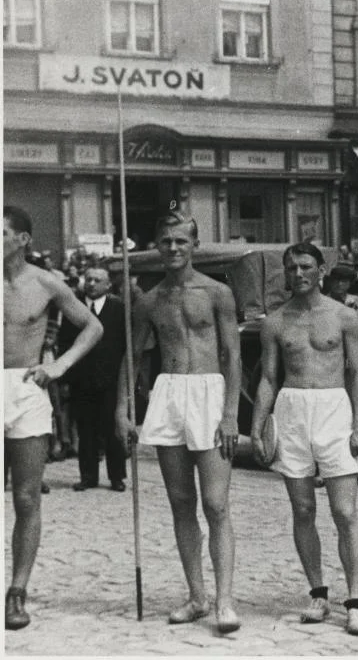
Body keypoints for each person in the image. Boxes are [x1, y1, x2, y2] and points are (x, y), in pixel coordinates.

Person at [114, 210, 242, 633]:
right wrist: (122, 410)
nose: (173, 248)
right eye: (166, 241)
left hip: (209, 393)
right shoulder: (149, 300)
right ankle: (197, 596)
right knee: (181, 502)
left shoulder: (218, 292)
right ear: (157, 245)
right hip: (169, 393)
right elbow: (132, 357)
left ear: (195, 245)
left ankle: (225, 601)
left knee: (216, 504)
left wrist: (230, 414)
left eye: (181, 241)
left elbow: (233, 355)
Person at [251, 243, 358, 635]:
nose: (298, 274)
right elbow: (268, 377)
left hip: (334, 407)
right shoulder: (275, 321)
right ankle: (318, 594)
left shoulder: (344, 316)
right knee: (302, 509)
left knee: (344, 511)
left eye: (305, 266)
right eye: (291, 268)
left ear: (321, 270)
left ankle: (355, 601)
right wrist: (257, 425)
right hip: (292, 408)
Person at [4, 206, 102, 630]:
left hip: (25, 388)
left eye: (2, 232)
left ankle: (17, 591)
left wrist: (59, 365)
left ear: (23, 239)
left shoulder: (45, 282)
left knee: (27, 498)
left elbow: (92, 327)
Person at [57, 264, 128, 492]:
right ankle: (88, 476)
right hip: (82, 380)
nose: (91, 284)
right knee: (86, 429)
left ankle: (117, 476)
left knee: (112, 430)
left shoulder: (119, 308)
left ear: (108, 285)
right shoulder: (74, 308)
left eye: (97, 280)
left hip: (110, 380)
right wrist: (66, 379)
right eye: (88, 279)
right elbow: (64, 343)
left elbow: (125, 345)